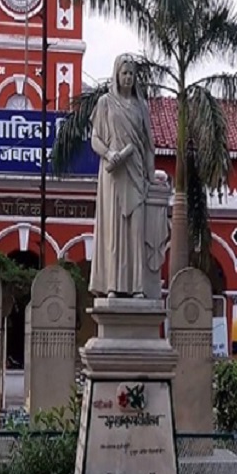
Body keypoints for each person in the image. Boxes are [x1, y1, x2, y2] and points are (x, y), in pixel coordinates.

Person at [88, 54, 156, 298]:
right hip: (114, 173)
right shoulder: (105, 103)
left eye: (131, 74)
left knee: (136, 232)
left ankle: (138, 287)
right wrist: (109, 154)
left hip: (135, 173)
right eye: (124, 73)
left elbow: (148, 144)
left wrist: (151, 175)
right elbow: (95, 138)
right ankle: (112, 286)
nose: (128, 78)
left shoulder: (141, 106)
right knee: (114, 230)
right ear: (116, 75)